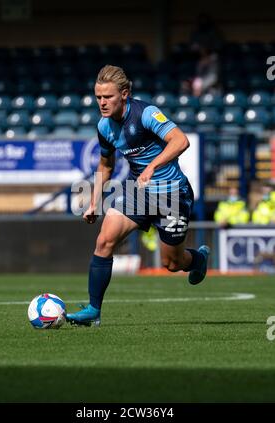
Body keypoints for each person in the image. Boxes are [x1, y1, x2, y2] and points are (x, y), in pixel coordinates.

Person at [66, 65, 210, 326]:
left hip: (171, 194)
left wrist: (153, 166)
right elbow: (105, 166)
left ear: (125, 93)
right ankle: (93, 310)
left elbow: (180, 141)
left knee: (172, 263)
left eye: (107, 97)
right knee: (104, 241)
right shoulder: (104, 126)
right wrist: (94, 201)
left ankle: (198, 259)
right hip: (138, 191)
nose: (102, 102)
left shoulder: (146, 113)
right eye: (98, 97)